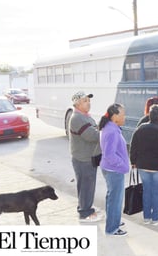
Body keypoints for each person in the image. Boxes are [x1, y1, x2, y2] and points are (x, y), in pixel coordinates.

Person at [130, 104, 158, 225]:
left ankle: (146, 217)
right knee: (157, 191)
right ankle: (156, 218)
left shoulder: (140, 128)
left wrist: (133, 161)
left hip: (143, 166)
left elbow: (134, 146)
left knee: (147, 190)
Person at [69, 91, 102, 223]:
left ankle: (85, 207)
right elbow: (93, 136)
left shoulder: (85, 116)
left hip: (87, 157)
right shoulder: (77, 118)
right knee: (86, 186)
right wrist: (104, 130)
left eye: (89, 100)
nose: (88, 103)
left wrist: (99, 128)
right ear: (77, 104)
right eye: (85, 101)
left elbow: (95, 130)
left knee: (85, 185)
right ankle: (85, 213)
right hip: (83, 158)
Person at [98, 103, 130, 236]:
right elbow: (109, 154)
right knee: (115, 199)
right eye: (122, 115)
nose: (125, 117)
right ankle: (112, 228)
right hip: (114, 170)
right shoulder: (111, 131)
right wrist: (122, 164)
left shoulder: (111, 127)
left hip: (110, 168)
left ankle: (113, 220)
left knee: (112, 197)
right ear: (115, 116)